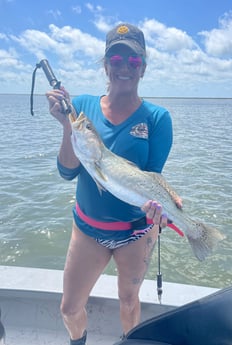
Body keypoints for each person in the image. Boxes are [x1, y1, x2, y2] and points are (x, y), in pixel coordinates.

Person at [46, 23, 181, 345]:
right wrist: (68, 124)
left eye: (133, 61)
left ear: (143, 68)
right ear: (106, 65)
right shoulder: (82, 108)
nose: (124, 67)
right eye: (116, 60)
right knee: (69, 308)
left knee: (130, 301)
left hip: (136, 232)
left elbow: (151, 177)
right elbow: (67, 172)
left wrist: (163, 207)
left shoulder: (157, 118)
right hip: (88, 230)